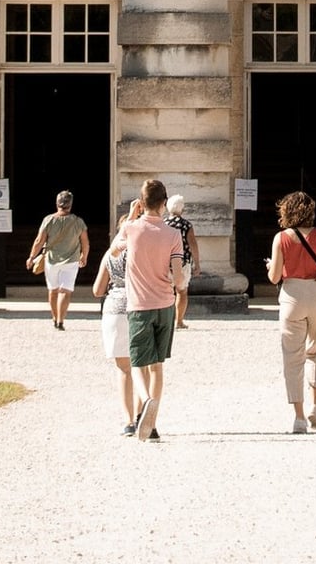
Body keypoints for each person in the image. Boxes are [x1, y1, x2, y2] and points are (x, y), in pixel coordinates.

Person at [265, 189, 316, 433]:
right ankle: (315, 406)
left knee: (292, 357)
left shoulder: (281, 238)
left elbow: (274, 278)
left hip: (292, 295)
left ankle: (299, 417)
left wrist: (272, 266)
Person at [122, 177, 188, 441]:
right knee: (158, 365)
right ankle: (153, 423)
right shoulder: (173, 234)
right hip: (165, 304)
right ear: (164, 202)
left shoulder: (131, 229)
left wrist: (130, 216)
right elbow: (178, 276)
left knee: (138, 364)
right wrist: (178, 286)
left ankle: (146, 401)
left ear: (141, 201)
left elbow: (114, 251)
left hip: (139, 305)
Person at [93, 195, 145, 434]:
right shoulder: (141, 253)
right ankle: (141, 411)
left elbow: (96, 290)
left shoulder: (110, 255)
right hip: (138, 305)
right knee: (141, 366)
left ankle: (128, 421)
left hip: (114, 308)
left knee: (123, 368)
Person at [29, 190, 89, 330]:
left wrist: (32, 256)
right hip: (71, 260)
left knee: (53, 290)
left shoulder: (49, 220)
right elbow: (85, 242)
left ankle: (55, 318)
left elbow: (39, 240)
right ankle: (61, 320)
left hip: (51, 260)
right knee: (65, 291)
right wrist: (84, 255)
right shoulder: (78, 221)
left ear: (57, 203)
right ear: (70, 204)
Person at [165, 192, 201, 328]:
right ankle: (179, 321)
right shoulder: (186, 225)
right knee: (182, 291)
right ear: (182, 209)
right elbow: (193, 245)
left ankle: (167, 320)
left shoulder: (163, 223)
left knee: (165, 292)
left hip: (165, 262)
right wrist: (197, 264)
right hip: (182, 262)